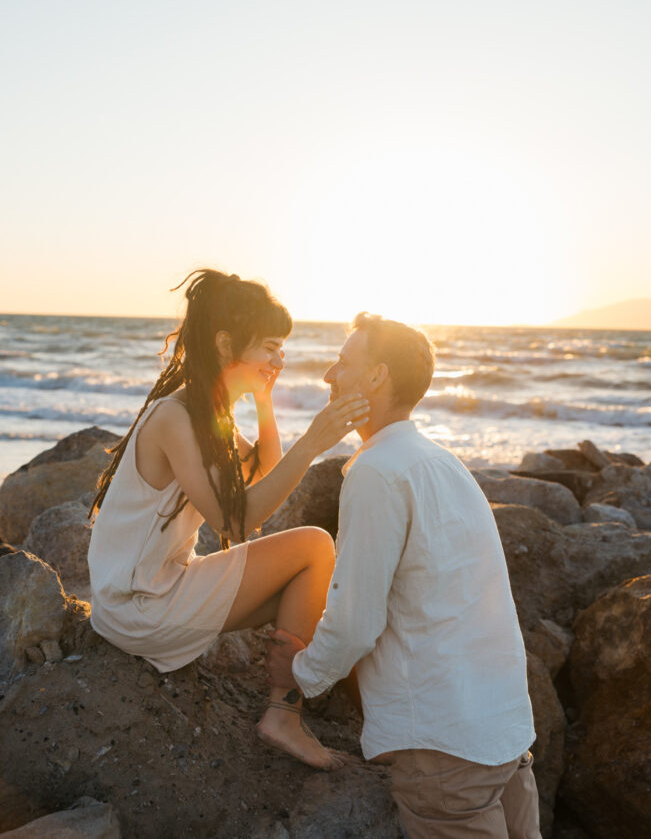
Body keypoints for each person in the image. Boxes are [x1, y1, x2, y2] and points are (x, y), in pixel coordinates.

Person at [267, 313, 541, 838]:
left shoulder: (376, 472)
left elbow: (356, 621)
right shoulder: (443, 462)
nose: (328, 375)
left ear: (377, 377)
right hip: (504, 732)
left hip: (445, 751)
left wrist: (298, 675)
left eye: (343, 363)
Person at [88, 269, 369, 770]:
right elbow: (236, 524)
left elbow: (262, 467)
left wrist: (263, 399)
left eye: (282, 348)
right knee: (314, 547)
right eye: (269, 346)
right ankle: (283, 716)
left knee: (304, 589)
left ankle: (291, 712)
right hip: (138, 605)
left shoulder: (206, 412)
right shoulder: (176, 418)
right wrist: (314, 442)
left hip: (145, 596)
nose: (278, 359)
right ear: (225, 343)